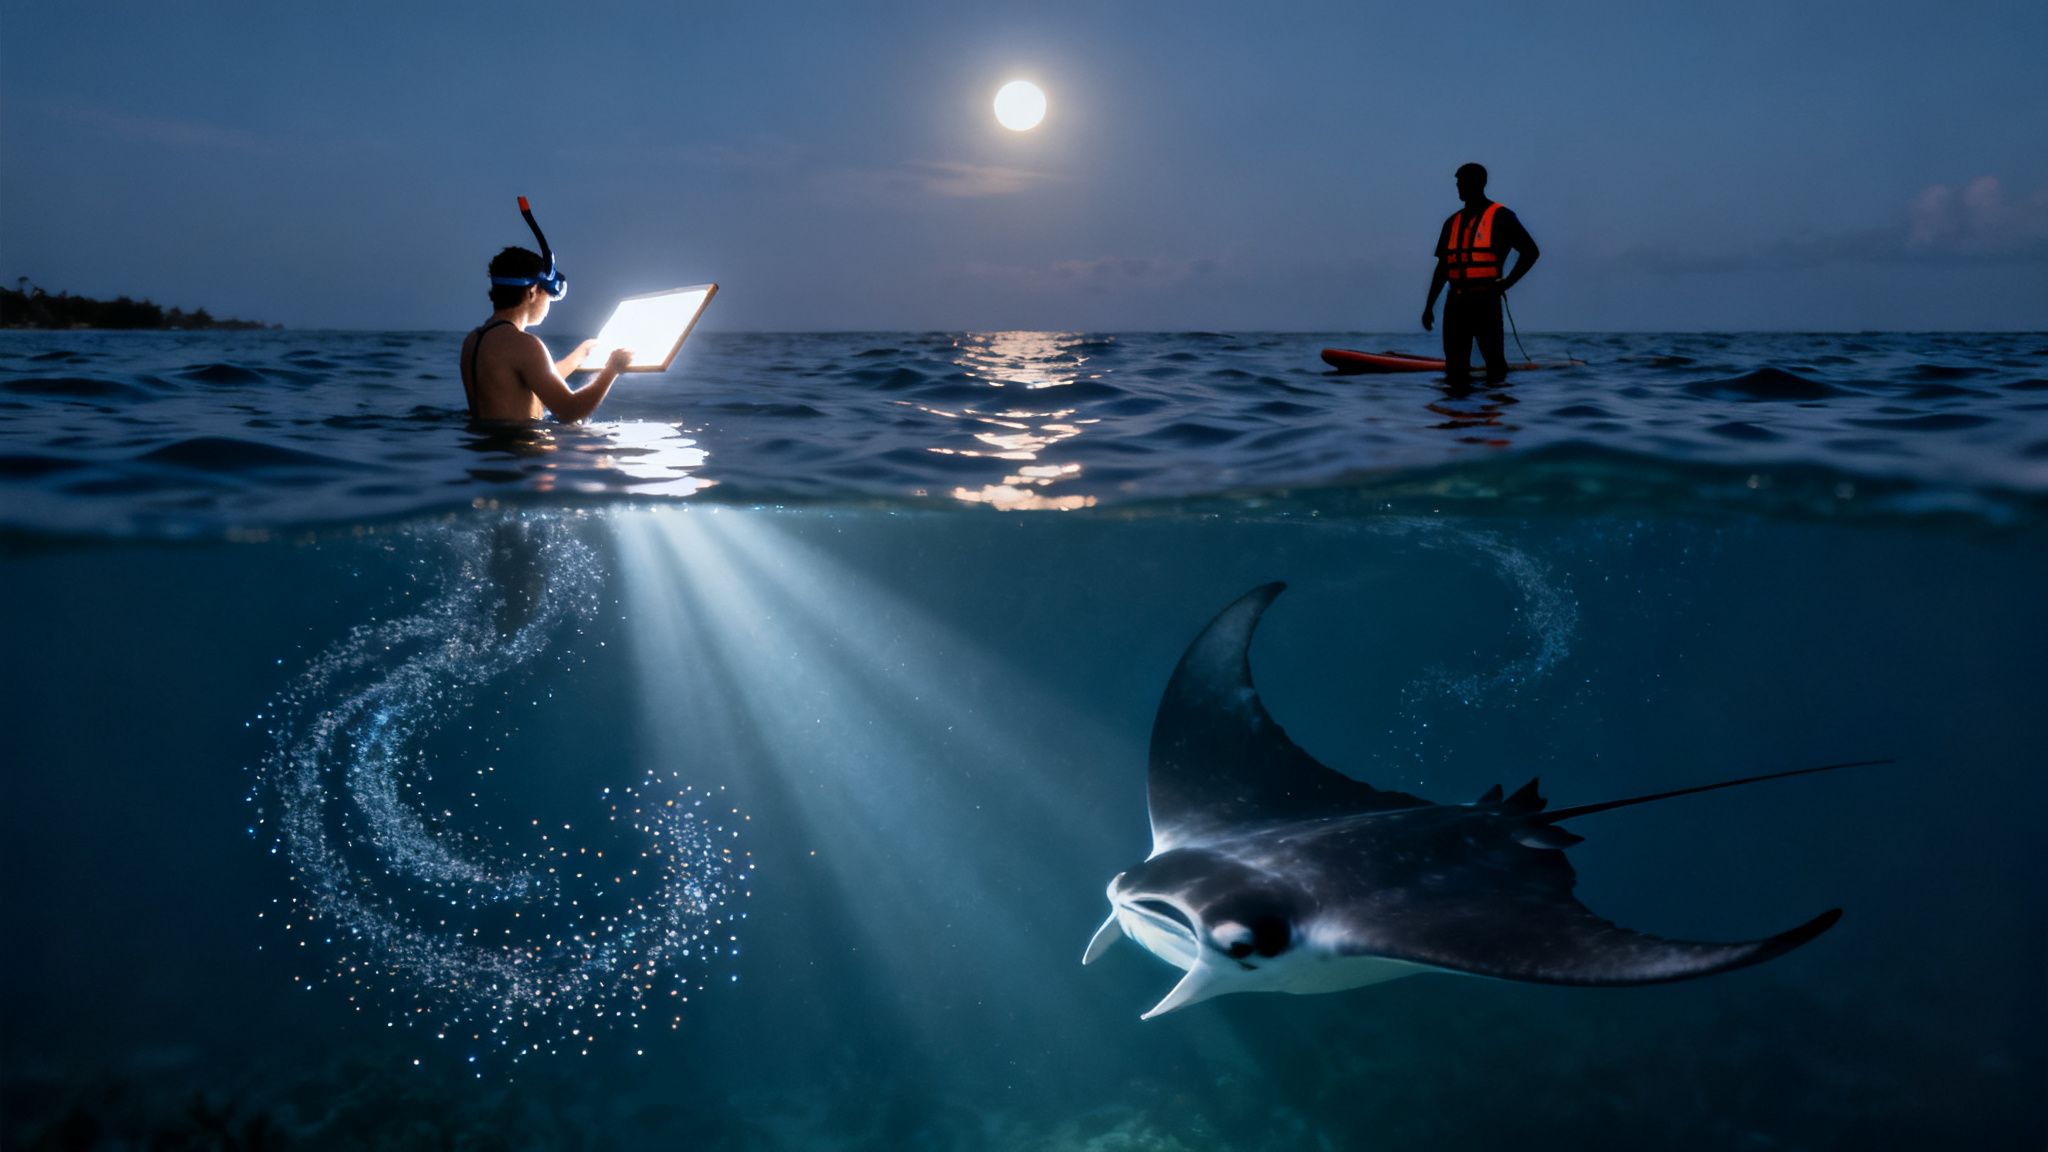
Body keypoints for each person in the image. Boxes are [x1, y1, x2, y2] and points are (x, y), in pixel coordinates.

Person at [459, 246, 632, 423]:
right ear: (533, 292)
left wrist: (577, 357)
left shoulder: (473, 340)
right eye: (549, 295)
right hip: (519, 447)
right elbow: (570, 410)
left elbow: (528, 380)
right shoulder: (524, 344)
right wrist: (612, 370)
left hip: (488, 446)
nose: (549, 303)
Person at [1421, 163, 1539, 383]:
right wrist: (1429, 307)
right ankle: (1456, 414)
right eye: (1458, 183)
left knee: (1495, 366)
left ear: (1478, 183)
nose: (1458, 187)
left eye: (1462, 182)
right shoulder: (1451, 222)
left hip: (1486, 302)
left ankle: (1492, 411)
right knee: (1455, 369)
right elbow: (1443, 269)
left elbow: (1531, 252)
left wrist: (1508, 282)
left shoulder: (1502, 217)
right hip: (1456, 304)